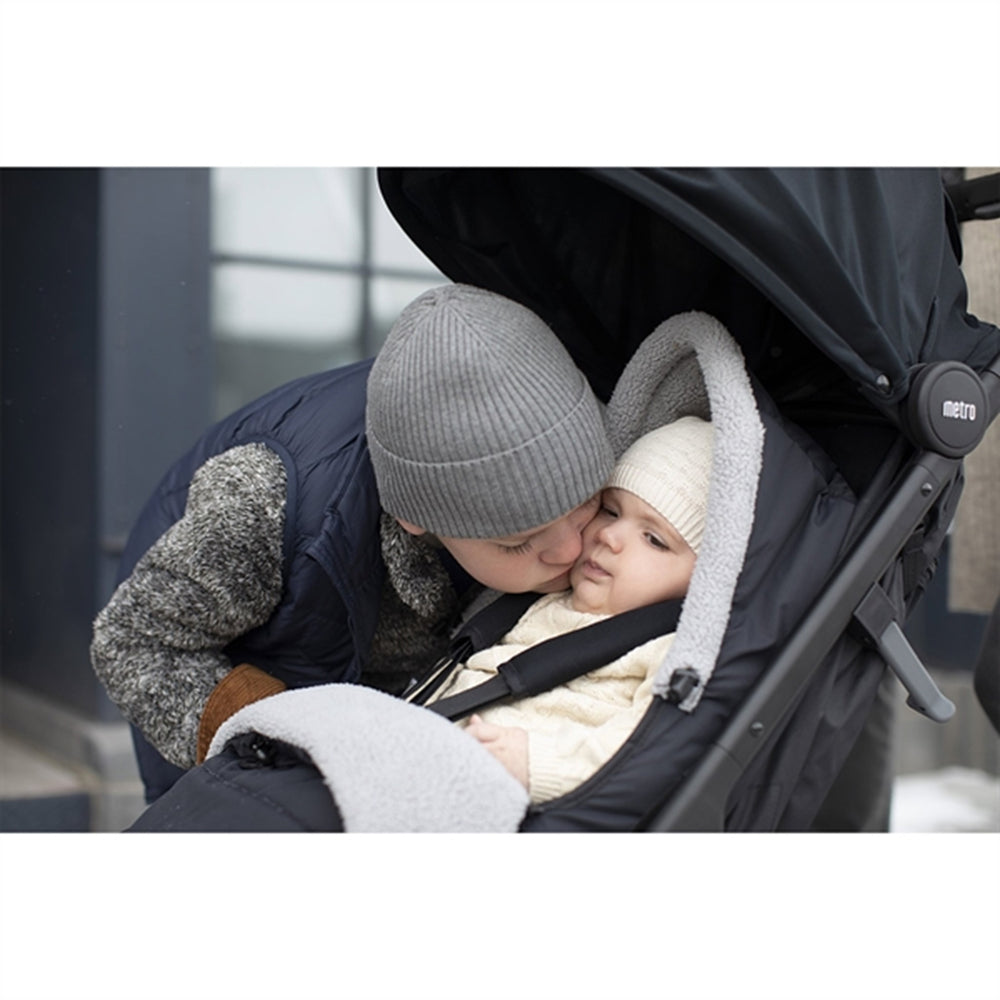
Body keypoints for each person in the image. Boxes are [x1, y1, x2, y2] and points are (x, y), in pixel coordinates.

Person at [91, 283, 614, 803]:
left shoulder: (579, 432)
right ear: (416, 518)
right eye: (518, 541)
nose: (571, 550)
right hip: (248, 716)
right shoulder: (265, 504)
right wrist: (284, 748)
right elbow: (132, 643)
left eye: (589, 502)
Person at [434, 415, 713, 803]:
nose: (609, 535)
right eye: (611, 511)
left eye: (653, 539)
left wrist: (537, 765)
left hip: (519, 792)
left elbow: (650, 751)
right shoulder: (539, 596)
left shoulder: (670, 650)